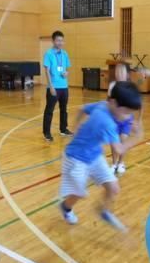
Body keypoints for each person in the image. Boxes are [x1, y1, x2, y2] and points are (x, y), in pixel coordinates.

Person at [59, 82, 143, 231]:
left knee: (113, 188)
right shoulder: (107, 123)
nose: (129, 117)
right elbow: (119, 149)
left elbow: (82, 109)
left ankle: (105, 212)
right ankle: (66, 207)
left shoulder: (104, 104)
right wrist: (137, 137)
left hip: (94, 155)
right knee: (79, 193)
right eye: (126, 112)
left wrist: (75, 128)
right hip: (75, 158)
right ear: (114, 103)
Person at [43, 30, 73, 142]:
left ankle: (63, 129)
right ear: (53, 41)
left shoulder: (65, 54)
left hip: (64, 86)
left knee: (64, 109)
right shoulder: (49, 54)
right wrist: (51, 86)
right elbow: (47, 70)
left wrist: (66, 73)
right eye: (58, 40)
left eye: (62, 40)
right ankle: (46, 133)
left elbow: (66, 69)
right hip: (54, 86)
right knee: (49, 110)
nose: (60, 42)